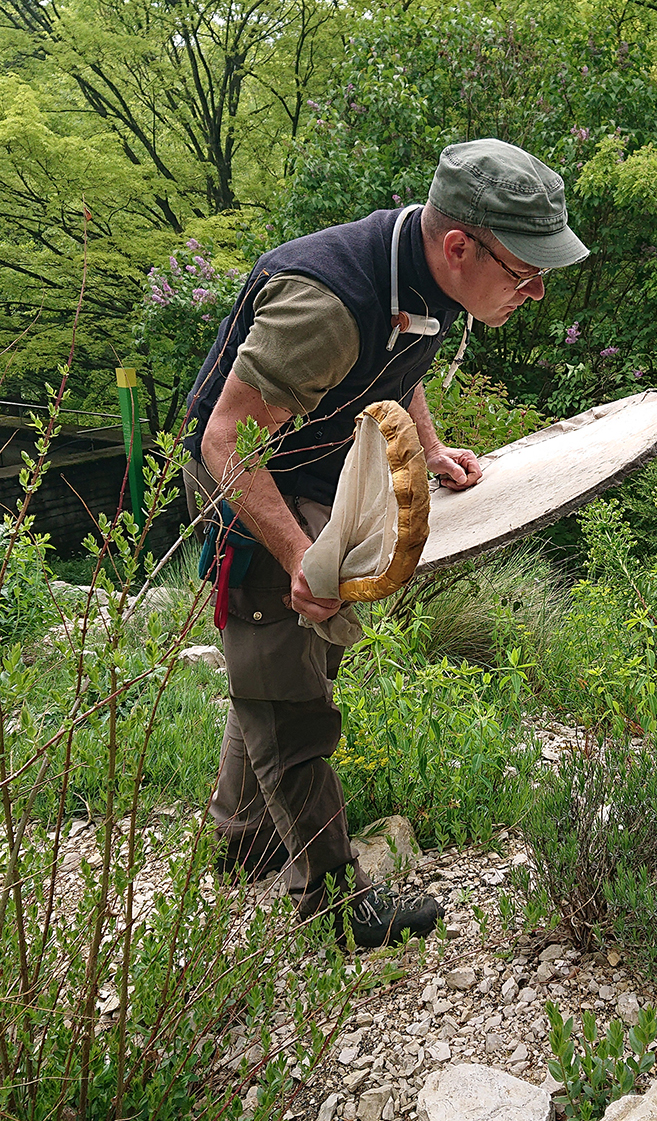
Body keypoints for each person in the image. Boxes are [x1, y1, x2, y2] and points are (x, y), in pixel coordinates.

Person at [184, 137, 588, 949]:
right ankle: (334, 905)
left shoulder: (431, 279)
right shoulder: (327, 304)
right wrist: (299, 556)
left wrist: (427, 450)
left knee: (292, 657)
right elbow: (223, 443)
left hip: (322, 471)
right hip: (248, 483)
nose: (538, 292)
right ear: (459, 246)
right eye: (525, 271)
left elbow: (401, 364)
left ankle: (239, 841)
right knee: (289, 695)